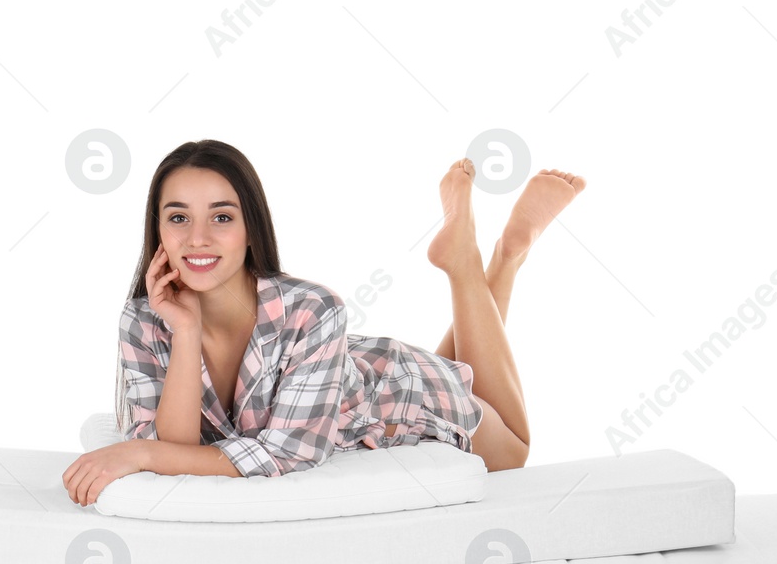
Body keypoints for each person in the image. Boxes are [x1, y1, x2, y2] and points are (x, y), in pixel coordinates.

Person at [60, 139, 585, 506]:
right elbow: (179, 450)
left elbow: (285, 452)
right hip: (345, 368)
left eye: (221, 217)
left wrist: (141, 449)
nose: (196, 238)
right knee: (464, 369)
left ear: (250, 230)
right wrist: (186, 331)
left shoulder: (314, 308)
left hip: (398, 395)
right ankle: (505, 252)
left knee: (512, 448)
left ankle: (484, 259)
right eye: (178, 218)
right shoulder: (143, 319)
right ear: (157, 231)